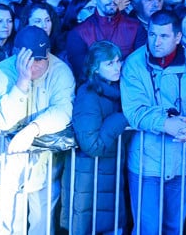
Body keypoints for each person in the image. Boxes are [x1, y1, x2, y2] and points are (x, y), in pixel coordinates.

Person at [120, 10, 186, 235]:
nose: (156, 42)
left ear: (178, 37)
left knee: (174, 227)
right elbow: (134, 110)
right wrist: (166, 124)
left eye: (163, 36)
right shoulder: (134, 63)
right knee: (147, 229)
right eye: (152, 35)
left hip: (182, 160)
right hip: (146, 162)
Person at [0, 25, 75, 235]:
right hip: (6, 156)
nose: (35, 66)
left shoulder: (60, 70)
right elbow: (2, 120)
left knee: (42, 221)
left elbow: (64, 110)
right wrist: (22, 81)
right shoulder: (1, 72)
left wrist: (32, 130)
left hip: (43, 158)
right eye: (30, 60)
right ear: (17, 54)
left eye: (40, 60)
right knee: (8, 221)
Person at [69, 41, 128, 235]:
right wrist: (121, 119)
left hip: (108, 175)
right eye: (110, 63)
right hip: (90, 179)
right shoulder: (88, 95)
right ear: (95, 68)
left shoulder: (117, 92)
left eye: (118, 61)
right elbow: (92, 145)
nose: (117, 67)